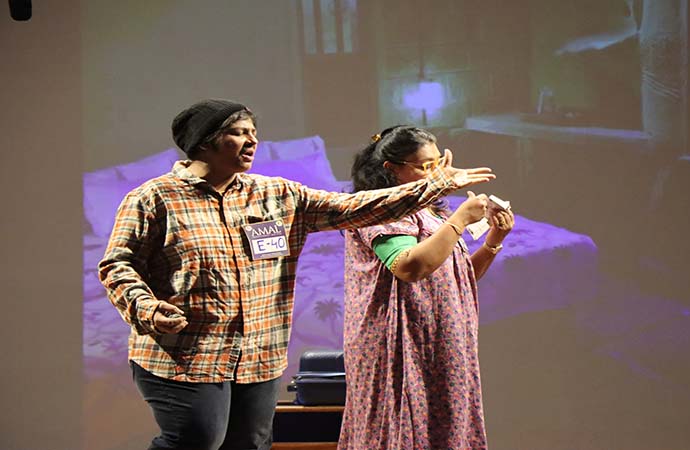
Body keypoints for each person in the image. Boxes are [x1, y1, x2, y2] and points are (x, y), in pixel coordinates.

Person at [97, 99, 494, 450]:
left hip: (258, 354)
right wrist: (147, 309)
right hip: (186, 354)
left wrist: (436, 185)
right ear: (204, 142)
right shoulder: (153, 198)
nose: (252, 140)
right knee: (199, 439)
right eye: (239, 133)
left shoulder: (278, 195)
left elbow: (355, 208)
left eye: (253, 132)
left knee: (250, 444)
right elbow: (117, 265)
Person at [339, 126, 515, 450]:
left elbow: (455, 278)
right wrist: (459, 221)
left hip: (441, 342)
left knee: (444, 428)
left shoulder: (430, 211)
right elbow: (410, 267)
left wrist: (493, 241)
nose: (436, 174)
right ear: (391, 169)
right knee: (403, 428)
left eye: (437, 164)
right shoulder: (380, 209)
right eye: (425, 166)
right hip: (400, 344)